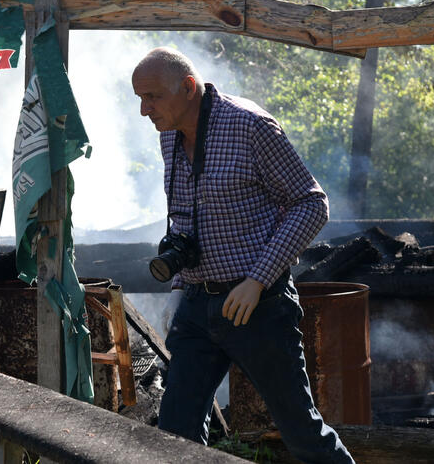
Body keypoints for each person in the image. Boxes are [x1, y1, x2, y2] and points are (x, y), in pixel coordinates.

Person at [131, 47, 354, 464]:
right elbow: (186, 220)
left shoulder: (251, 126)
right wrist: (179, 287)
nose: (145, 110)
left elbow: (311, 203)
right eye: (139, 98)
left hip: (258, 305)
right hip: (198, 308)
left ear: (188, 87)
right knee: (174, 437)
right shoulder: (169, 133)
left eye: (153, 97)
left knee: (301, 433)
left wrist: (257, 279)